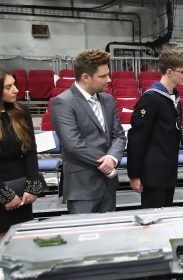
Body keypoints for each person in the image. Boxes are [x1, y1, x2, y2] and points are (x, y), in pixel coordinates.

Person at [51, 50, 126, 214]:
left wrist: (112, 158)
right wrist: (105, 164)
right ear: (86, 77)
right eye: (103, 76)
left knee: (109, 236)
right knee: (83, 237)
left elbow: (119, 135)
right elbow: (73, 144)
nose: (109, 79)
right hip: (82, 186)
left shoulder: (108, 99)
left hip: (108, 184)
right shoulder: (63, 102)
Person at [127, 50, 183, 209]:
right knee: (153, 222)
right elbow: (137, 138)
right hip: (153, 172)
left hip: (168, 169)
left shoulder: (174, 96)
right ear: (169, 72)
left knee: (166, 218)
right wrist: (134, 175)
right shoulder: (151, 98)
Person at [0, 67, 43, 231]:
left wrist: (33, 187)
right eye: (8, 87)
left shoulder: (21, 111)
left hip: (21, 189)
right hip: (3, 190)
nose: (16, 90)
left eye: (14, 85)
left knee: (21, 238)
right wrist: (5, 195)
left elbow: (30, 150)